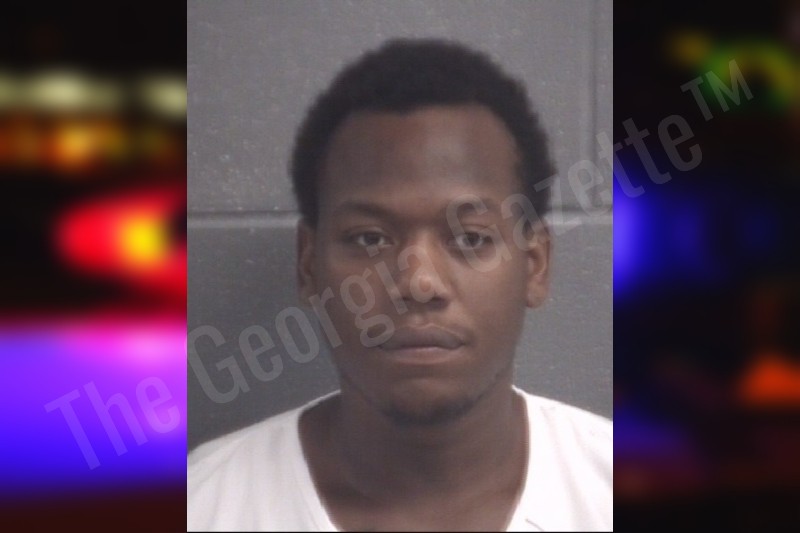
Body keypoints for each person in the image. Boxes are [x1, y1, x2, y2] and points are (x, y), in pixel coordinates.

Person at [187, 38, 612, 531]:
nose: (418, 282)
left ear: (534, 265)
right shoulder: (201, 505)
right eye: (369, 238)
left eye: (470, 238)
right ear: (308, 265)